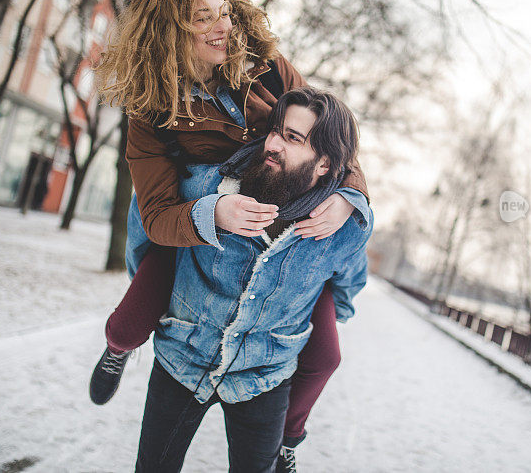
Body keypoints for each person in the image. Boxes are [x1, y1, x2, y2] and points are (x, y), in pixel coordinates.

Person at [91, 0, 370, 471]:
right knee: (138, 310)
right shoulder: (152, 111)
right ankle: (118, 347)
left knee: (324, 352)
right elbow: (156, 213)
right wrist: (212, 211)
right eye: (204, 19)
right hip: (201, 221)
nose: (225, 26)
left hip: (287, 215)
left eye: (224, 11)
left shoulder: (263, 63)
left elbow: (333, 138)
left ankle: (289, 439)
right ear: (171, 33)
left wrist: (350, 198)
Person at [135, 86, 372, 472]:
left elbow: (347, 285)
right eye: (276, 129)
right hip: (182, 358)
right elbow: (148, 229)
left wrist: (309, 320)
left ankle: (290, 442)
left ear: (326, 164)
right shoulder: (204, 186)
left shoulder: (346, 229)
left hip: (265, 376)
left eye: (292, 138)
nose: (273, 143)